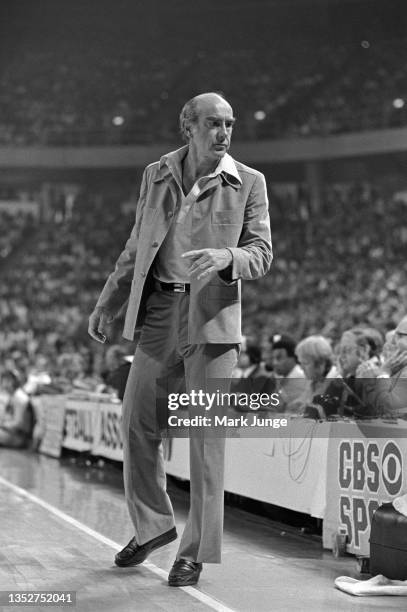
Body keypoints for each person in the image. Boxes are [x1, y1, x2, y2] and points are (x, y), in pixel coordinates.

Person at [88, 92, 272, 586]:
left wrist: (228, 259)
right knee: (135, 420)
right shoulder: (156, 173)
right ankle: (153, 527)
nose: (225, 133)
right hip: (160, 310)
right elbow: (136, 245)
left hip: (211, 316)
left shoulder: (249, 182)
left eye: (230, 124)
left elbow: (261, 252)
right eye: (214, 123)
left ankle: (194, 551)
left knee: (206, 441)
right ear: (188, 127)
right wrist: (109, 300)